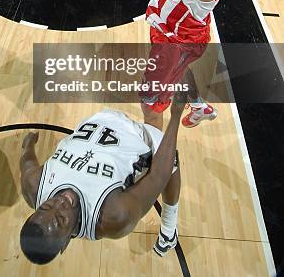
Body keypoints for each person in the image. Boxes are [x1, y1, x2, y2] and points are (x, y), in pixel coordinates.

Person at [20, 95, 186, 264]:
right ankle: (169, 230)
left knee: (151, 100)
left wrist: (28, 145)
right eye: (61, 219)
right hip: (137, 135)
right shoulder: (112, 216)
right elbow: (158, 176)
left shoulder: (33, 185)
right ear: (65, 243)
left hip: (97, 121)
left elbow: (27, 161)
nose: (60, 203)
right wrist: (176, 115)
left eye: (46, 206)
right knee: (171, 160)